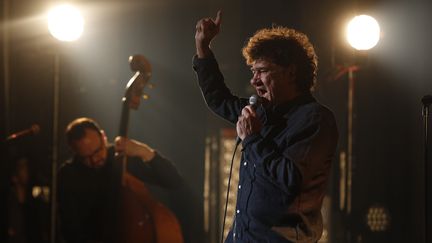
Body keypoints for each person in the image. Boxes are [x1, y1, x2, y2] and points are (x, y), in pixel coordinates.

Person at [193, 11, 338, 243]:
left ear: (290, 71)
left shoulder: (315, 119)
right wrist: (203, 47)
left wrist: (252, 139)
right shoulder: (261, 112)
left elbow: (290, 180)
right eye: (253, 72)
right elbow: (218, 98)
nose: (254, 80)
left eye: (261, 71)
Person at [57, 117, 183, 243]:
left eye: (98, 151)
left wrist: (145, 152)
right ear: (74, 151)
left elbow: (173, 181)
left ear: (103, 137)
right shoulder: (68, 175)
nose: (94, 160)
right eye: (86, 157)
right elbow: (70, 230)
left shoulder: (123, 159)